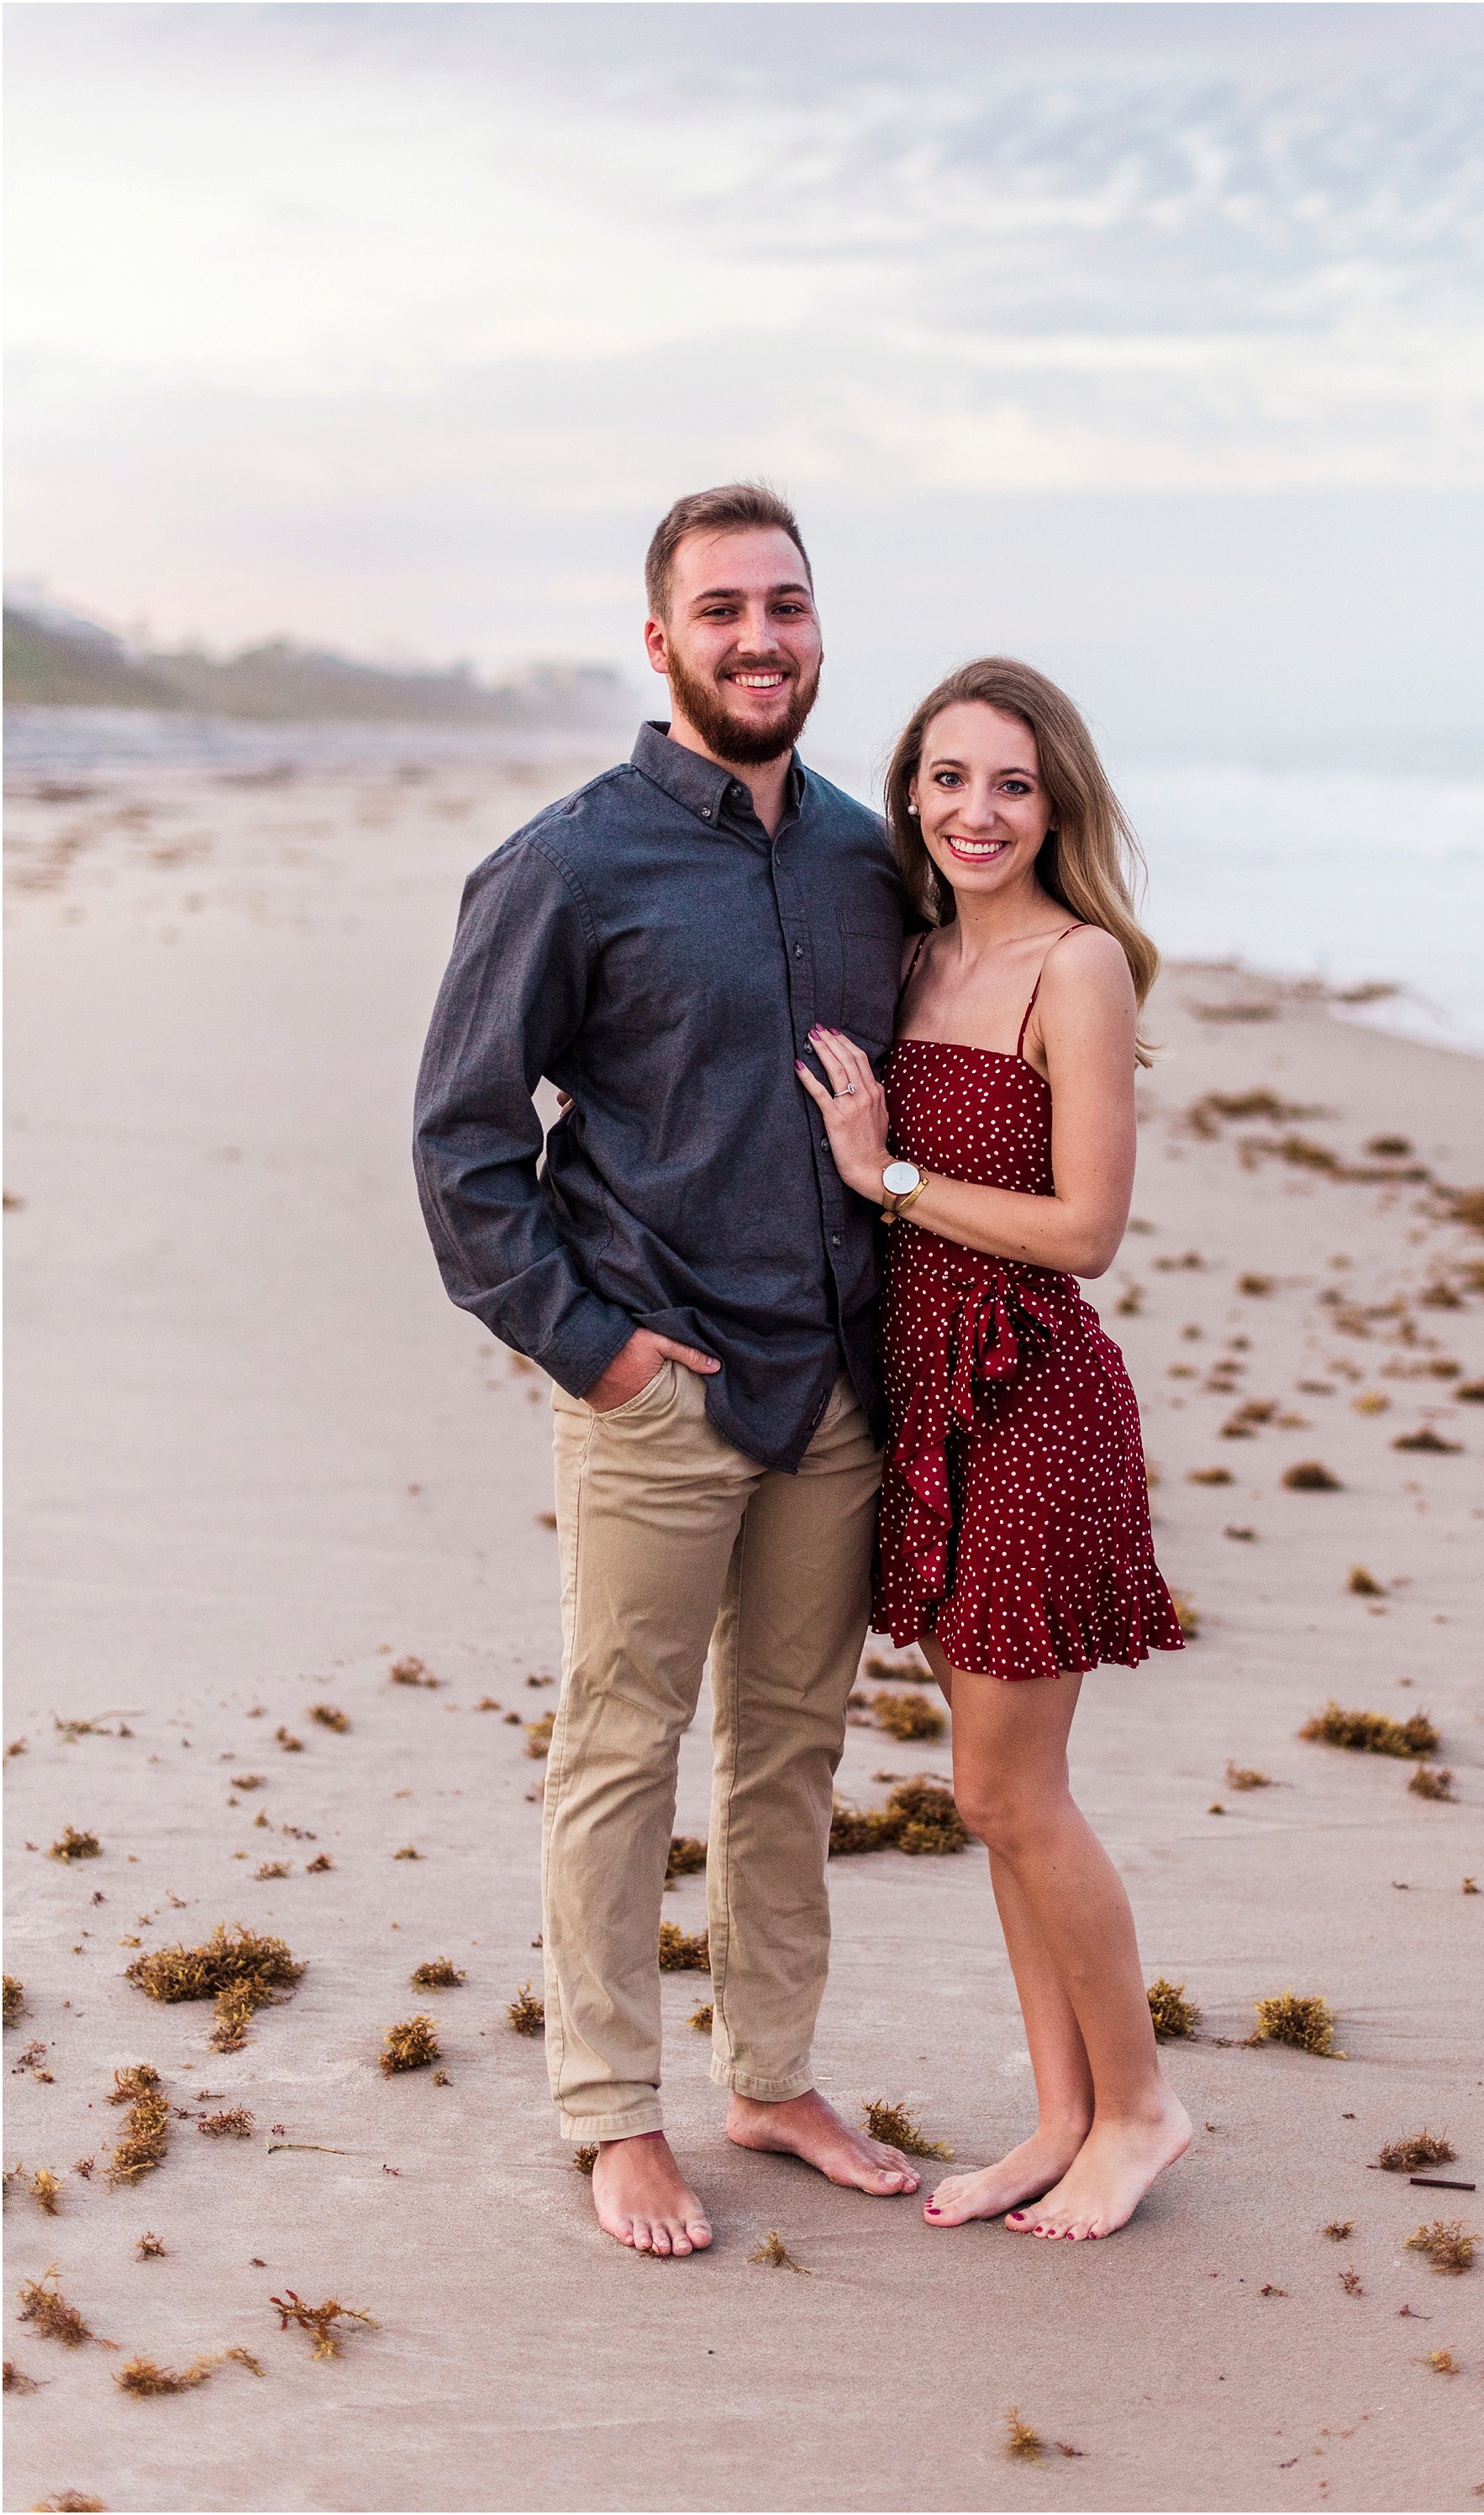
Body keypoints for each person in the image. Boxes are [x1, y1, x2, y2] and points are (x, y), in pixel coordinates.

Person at [413, 481, 921, 2258]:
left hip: (833, 1388)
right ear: (660, 641)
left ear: (817, 629)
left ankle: (768, 2078)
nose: (759, 639)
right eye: (722, 611)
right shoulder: (567, 864)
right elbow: (464, 1140)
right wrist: (596, 1348)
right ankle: (611, 2113)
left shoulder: (870, 858)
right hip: (661, 1382)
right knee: (622, 1746)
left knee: (791, 1752)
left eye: (785, 605)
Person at [797, 657, 1192, 2243]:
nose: (979, 810)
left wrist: (886, 1177)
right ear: (910, 791)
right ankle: (1059, 2116)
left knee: (1009, 1792)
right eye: (951, 777)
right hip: (934, 1411)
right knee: (995, 1799)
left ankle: (1142, 2109)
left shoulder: (1074, 967)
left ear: (1055, 805)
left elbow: (1087, 1230)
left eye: (1013, 784)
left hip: (1032, 1401)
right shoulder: (908, 957)